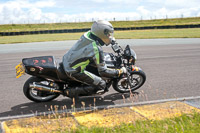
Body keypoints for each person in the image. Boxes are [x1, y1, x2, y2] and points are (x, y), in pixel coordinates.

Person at [62, 20, 126, 98]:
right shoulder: (96, 49)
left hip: (68, 59)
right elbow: (103, 72)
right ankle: (72, 92)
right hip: (73, 70)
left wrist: (111, 40)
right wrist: (119, 71)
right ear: (101, 33)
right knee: (101, 84)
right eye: (107, 33)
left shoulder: (88, 35)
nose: (109, 35)